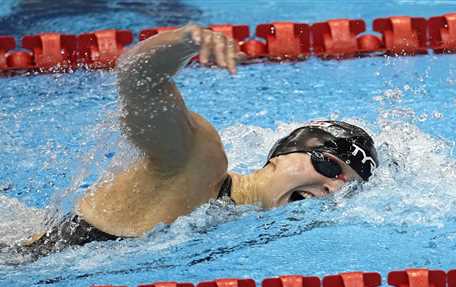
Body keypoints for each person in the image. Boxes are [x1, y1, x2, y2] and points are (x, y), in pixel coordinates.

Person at [22, 24, 378, 256]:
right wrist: (189, 39)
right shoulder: (198, 159)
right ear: (283, 155)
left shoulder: (233, 219)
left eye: (349, 185)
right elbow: (139, 77)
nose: (334, 188)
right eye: (329, 165)